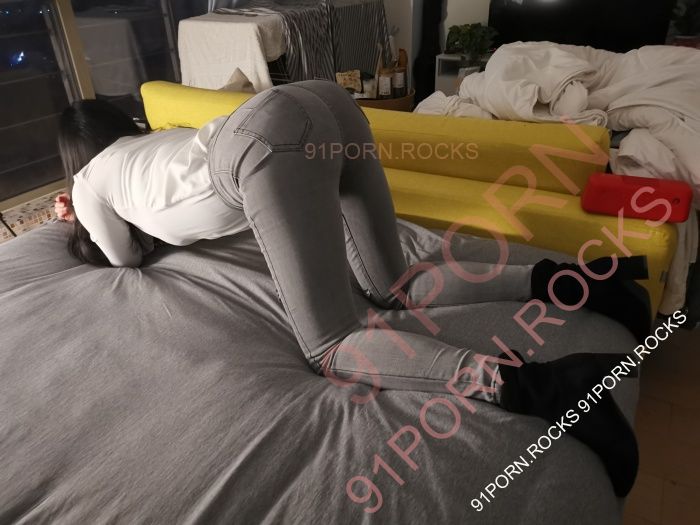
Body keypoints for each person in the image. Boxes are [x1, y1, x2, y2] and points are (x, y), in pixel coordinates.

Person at [57, 80, 650, 496]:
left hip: (266, 143)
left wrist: (77, 219)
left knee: (331, 344)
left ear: (74, 156)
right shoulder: (151, 144)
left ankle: (548, 386)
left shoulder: (87, 184)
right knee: (394, 286)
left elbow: (123, 257)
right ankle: (581, 281)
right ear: (120, 126)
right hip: (323, 103)